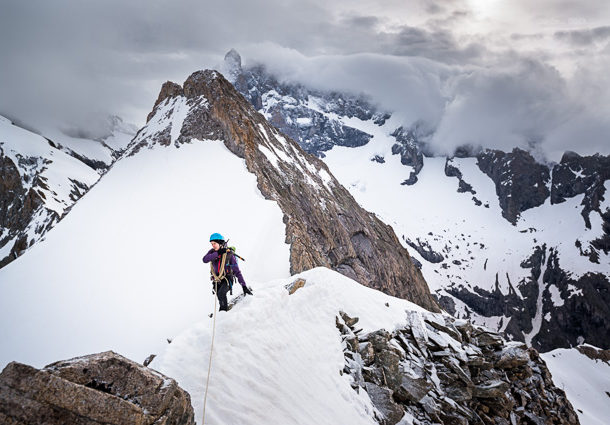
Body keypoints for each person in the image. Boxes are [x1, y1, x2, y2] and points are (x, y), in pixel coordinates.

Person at [202, 232, 252, 312]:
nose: (213, 245)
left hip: (227, 279)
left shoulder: (229, 255)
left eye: (214, 243)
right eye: (212, 244)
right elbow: (205, 259)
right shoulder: (212, 252)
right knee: (219, 296)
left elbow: (237, 271)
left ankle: (223, 312)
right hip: (217, 280)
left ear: (220, 243)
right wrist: (218, 253)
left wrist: (244, 286)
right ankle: (223, 309)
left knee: (221, 294)